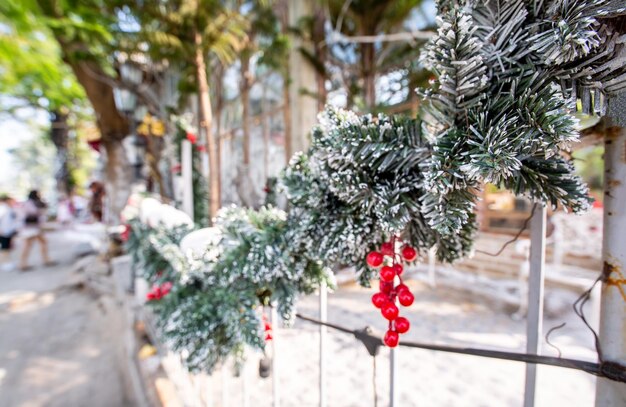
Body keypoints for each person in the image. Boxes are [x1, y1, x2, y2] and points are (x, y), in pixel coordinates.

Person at [19, 190, 52, 271]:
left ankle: (46, 259)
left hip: (35, 227)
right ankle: (23, 263)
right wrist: (41, 210)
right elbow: (33, 212)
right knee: (28, 245)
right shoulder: (29, 203)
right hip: (31, 227)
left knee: (42, 242)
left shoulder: (34, 202)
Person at [0, 194, 19, 271]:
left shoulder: (8, 208)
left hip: (8, 231)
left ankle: (7, 262)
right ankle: (5, 263)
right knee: (4, 248)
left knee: (7, 247)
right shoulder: (3, 208)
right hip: (3, 231)